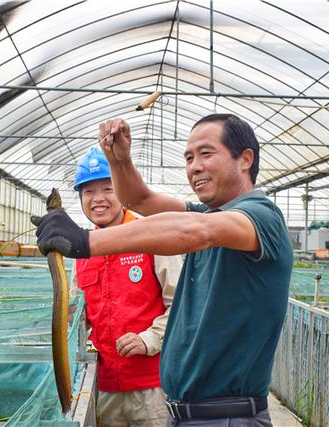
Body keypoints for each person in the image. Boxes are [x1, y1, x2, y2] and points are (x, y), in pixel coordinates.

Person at [34, 114, 293, 426]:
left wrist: (84, 241)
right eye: (188, 157)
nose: (194, 166)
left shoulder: (260, 217)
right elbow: (139, 199)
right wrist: (119, 160)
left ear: (245, 160)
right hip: (186, 412)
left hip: (227, 416)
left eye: (206, 154)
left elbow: (198, 231)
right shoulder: (208, 213)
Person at [70, 146, 182, 427]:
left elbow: (184, 305)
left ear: (121, 190)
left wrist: (149, 339)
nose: (98, 199)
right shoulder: (83, 252)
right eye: (88, 192)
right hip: (102, 385)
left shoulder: (151, 236)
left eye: (107, 188)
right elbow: (77, 316)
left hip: (151, 387)